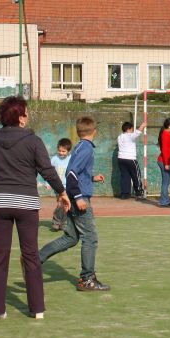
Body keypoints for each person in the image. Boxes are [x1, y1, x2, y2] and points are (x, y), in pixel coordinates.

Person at [0, 96, 70, 320]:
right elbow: (47, 170)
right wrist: (62, 193)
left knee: (0, 255)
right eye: (26, 112)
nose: (28, 116)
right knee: (31, 255)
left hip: (0, 203)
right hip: (26, 203)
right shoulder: (34, 141)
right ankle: (37, 309)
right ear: (20, 117)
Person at [40, 116, 110, 292]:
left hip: (72, 196)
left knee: (71, 238)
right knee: (90, 237)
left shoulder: (79, 147)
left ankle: (34, 259)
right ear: (94, 132)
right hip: (79, 198)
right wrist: (78, 197)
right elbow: (71, 174)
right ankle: (87, 279)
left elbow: (77, 173)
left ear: (79, 132)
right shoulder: (86, 148)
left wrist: (91, 178)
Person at [116, 121, 146, 199]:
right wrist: (142, 125)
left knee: (125, 176)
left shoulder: (120, 136)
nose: (133, 130)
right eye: (132, 129)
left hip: (121, 159)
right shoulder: (130, 136)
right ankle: (139, 193)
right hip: (130, 159)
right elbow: (138, 132)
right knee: (136, 176)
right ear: (128, 129)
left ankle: (125, 194)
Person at [50, 138, 72, 231]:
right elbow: (50, 172)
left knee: (65, 204)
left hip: (68, 186)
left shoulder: (71, 159)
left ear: (68, 151)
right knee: (60, 203)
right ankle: (56, 222)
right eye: (59, 151)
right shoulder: (54, 159)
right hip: (58, 186)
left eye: (64, 151)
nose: (61, 153)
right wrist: (48, 182)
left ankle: (63, 222)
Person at [156, 118, 170, 207]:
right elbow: (165, 150)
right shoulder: (165, 134)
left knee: (166, 181)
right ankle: (164, 201)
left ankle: (165, 200)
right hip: (164, 161)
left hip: (166, 161)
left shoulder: (168, 134)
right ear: (169, 126)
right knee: (165, 182)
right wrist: (167, 163)